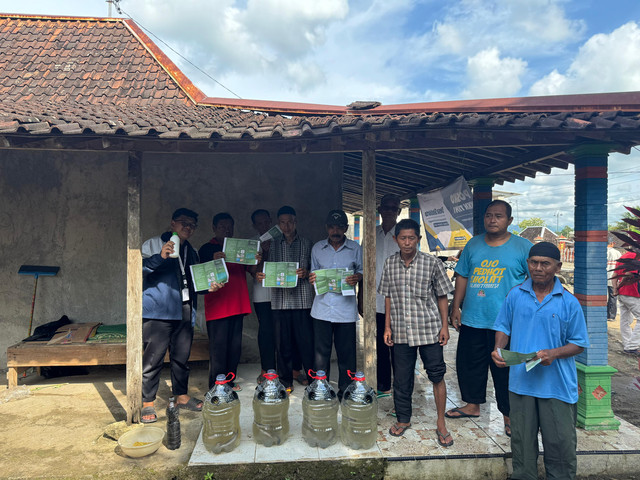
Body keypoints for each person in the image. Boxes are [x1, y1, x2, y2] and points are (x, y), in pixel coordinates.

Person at [492, 242, 589, 480]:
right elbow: (504, 326)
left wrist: (552, 354)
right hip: (521, 383)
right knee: (522, 444)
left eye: (545, 263)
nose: (538, 268)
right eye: (533, 262)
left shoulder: (569, 302)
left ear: (557, 266)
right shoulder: (515, 294)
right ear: (527, 264)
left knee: (560, 445)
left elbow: (579, 343)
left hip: (556, 386)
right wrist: (498, 349)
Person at [446, 199, 532, 437]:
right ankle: (472, 405)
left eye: (499, 216)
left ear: (510, 220)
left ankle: (509, 415)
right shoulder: (473, 245)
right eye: (489, 215)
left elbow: (534, 279)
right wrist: (456, 306)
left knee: (505, 370)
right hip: (474, 318)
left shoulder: (523, 247)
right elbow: (462, 276)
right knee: (469, 364)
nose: (492, 220)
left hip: (507, 323)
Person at [379, 219, 454, 446]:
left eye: (412, 238)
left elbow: (442, 296)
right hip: (401, 330)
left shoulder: (432, 263)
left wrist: (444, 326)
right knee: (401, 379)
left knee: (437, 374)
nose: (408, 242)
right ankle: (403, 419)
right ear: (395, 240)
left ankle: (441, 422)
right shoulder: (390, 263)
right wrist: (387, 327)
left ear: (418, 240)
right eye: (403, 238)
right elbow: (388, 297)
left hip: (429, 329)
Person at [140, 208, 207, 423]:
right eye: (183, 223)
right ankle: (147, 402)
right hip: (158, 310)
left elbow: (196, 282)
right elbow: (140, 270)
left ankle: (181, 395)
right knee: (153, 358)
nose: (188, 227)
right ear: (172, 224)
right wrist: (160, 256)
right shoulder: (152, 244)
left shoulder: (192, 251)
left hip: (185, 309)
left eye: (192, 225)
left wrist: (209, 288)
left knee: (181, 357)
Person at [257, 206, 315, 392]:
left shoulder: (307, 243)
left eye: (289, 222)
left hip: (303, 300)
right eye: (282, 222)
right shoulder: (272, 244)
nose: (286, 226)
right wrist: (262, 272)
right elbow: (265, 269)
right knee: (283, 343)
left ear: (295, 221)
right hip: (280, 301)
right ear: (278, 224)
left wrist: (306, 273)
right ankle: (285, 380)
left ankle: (312, 378)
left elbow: (315, 271)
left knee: (306, 342)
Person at [309, 209, 363, 399]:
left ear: (346, 228)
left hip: (345, 309)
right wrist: (312, 277)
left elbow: (363, 272)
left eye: (340, 227)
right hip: (322, 309)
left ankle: (346, 390)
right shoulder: (317, 248)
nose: (335, 231)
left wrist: (357, 277)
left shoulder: (356, 249)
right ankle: (321, 390)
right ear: (326, 228)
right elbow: (313, 274)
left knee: (346, 354)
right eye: (332, 227)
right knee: (320, 354)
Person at [199, 212, 256, 390]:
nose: (227, 229)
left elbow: (252, 270)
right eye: (222, 226)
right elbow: (201, 273)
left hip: (238, 304)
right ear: (214, 228)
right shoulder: (206, 249)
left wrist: (256, 259)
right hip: (218, 307)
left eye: (229, 226)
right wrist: (214, 257)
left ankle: (229, 381)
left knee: (234, 348)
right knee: (218, 349)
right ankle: (216, 385)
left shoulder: (239, 249)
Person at [373, 194, 401, 397]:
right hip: (376, 300)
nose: (389, 211)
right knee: (380, 345)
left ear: (398, 211)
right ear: (380, 210)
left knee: (399, 348)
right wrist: (361, 298)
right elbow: (366, 268)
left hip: (399, 302)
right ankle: (383, 385)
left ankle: (401, 386)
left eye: (394, 208)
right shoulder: (371, 234)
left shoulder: (403, 235)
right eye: (386, 207)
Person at [250, 209, 277, 382]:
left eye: (266, 222)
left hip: (280, 294)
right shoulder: (252, 244)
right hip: (261, 295)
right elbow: (253, 273)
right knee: (266, 332)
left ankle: (282, 368)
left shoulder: (280, 240)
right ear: (254, 225)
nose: (263, 226)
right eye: (259, 223)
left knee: (282, 333)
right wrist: (264, 252)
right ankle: (266, 369)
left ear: (271, 221)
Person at [613, 248, 640, 355]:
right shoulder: (636, 257)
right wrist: (619, 286)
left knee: (625, 319)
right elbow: (629, 274)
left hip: (622, 294)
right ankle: (632, 346)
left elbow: (614, 275)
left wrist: (616, 288)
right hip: (633, 292)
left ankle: (627, 344)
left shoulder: (622, 257)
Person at [607, 239, 622, 321]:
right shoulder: (617, 253)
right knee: (612, 298)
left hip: (602, 278)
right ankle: (611, 316)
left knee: (603, 297)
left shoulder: (602, 251)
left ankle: (604, 314)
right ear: (612, 243)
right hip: (612, 278)